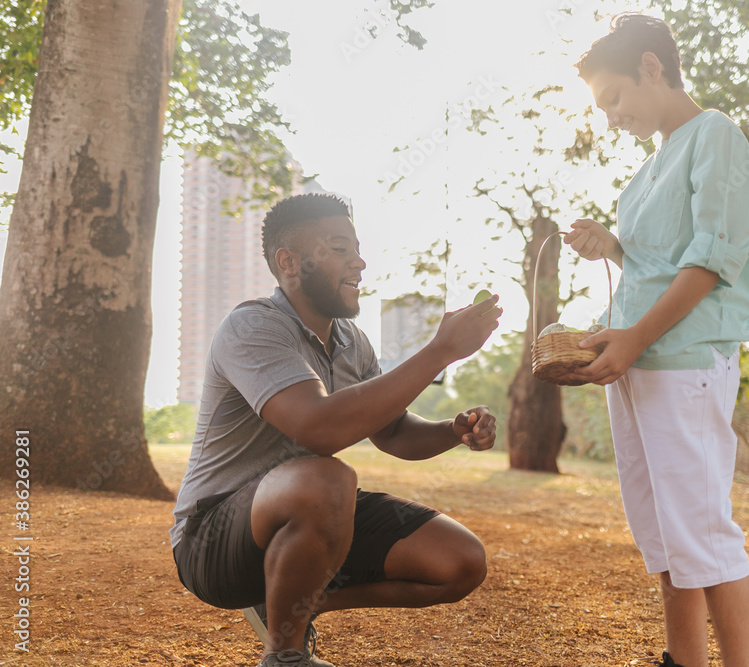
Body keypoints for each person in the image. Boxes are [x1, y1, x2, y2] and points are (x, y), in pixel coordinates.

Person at [169, 193, 503, 667]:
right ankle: (285, 656)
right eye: (340, 249)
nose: (360, 262)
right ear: (290, 263)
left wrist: (453, 429)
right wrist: (439, 352)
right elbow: (316, 429)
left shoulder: (352, 342)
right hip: (213, 538)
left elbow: (393, 433)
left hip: (312, 516)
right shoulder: (252, 327)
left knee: (460, 562)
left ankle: (289, 603)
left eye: (357, 248)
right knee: (328, 476)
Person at [564, 14, 749, 667]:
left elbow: (710, 263)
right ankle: (684, 660)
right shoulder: (647, 170)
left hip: (682, 363)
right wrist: (615, 247)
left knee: (704, 531)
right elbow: (658, 267)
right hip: (636, 364)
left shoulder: (716, 136)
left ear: (652, 66)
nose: (611, 116)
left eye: (614, 98)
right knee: (663, 531)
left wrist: (631, 340)